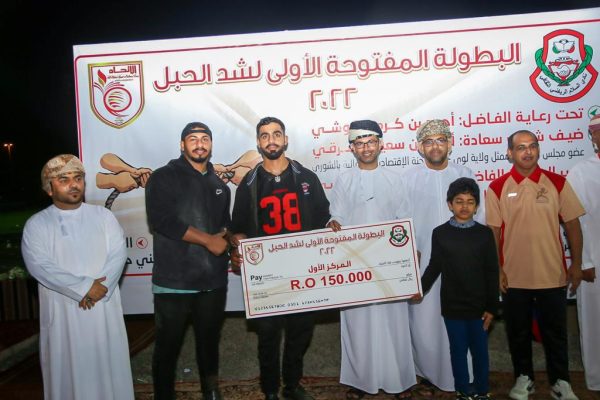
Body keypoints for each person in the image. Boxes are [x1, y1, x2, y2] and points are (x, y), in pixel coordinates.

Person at [230, 116, 330, 400]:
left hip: (303, 269)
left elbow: (323, 218)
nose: (271, 140)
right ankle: (271, 389)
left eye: (276, 134)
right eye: (265, 135)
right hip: (267, 274)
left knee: (301, 331)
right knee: (268, 335)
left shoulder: (307, 177)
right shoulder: (249, 183)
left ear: (285, 140)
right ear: (258, 142)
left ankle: (292, 385)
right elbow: (237, 229)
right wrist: (236, 246)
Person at [21, 154, 134, 400]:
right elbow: (39, 265)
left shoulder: (103, 216)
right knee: (69, 372)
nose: (74, 184)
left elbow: (118, 254)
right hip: (64, 311)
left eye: (78, 178)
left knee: (110, 368)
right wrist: (84, 288)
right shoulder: (37, 225)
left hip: (103, 307)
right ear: (49, 188)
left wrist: (99, 289)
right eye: (64, 180)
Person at [485, 130, 584, 400]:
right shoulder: (497, 187)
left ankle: (561, 381)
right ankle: (524, 377)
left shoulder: (557, 183)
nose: (527, 152)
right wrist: (498, 270)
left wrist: (576, 264)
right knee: (517, 333)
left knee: (556, 334)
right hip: (513, 277)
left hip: (552, 274)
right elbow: (493, 232)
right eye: (520, 147)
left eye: (532, 146)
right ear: (510, 153)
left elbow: (572, 225)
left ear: (538, 149)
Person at [327, 119, 415, 399]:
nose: (366, 148)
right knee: (358, 323)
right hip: (355, 263)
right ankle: (360, 380)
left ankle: (398, 380)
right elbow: (337, 215)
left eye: (371, 142)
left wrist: (407, 256)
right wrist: (333, 223)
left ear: (380, 144)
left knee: (393, 321)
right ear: (352, 148)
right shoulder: (344, 180)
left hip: (389, 263)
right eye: (360, 143)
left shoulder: (395, 179)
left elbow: (404, 219)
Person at [145, 122, 231, 400]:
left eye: (205, 138)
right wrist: (208, 240)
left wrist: (234, 242)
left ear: (211, 145)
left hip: (213, 281)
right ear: (182, 145)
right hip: (175, 282)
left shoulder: (220, 185)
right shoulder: (163, 177)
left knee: (209, 343)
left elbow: (224, 227)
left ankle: (211, 392)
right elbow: (162, 221)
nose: (199, 144)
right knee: (167, 347)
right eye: (192, 139)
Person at [399, 119, 480, 396]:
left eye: (441, 140)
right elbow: (402, 219)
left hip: (461, 261)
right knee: (424, 320)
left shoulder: (464, 174)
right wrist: (410, 250)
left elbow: (478, 216)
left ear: (450, 144)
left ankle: (463, 374)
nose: (435, 146)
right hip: (423, 260)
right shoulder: (408, 178)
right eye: (429, 141)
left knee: (460, 317)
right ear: (420, 147)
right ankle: (428, 373)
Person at [415, 177, 499, 400]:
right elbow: (434, 266)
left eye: (470, 202)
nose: (464, 206)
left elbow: (492, 271)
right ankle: (462, 390)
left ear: (477, 206)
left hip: (480, 308)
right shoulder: (440, 233)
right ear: (450, 204)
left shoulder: (484, 234)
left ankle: (482, 390)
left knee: (480, 352)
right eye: (459, 201)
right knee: (458, 351)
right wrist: (420, 289)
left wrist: (492, 308)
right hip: (452, 306)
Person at [567, 115, 600, 392]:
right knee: (594, 324)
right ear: (593, 137)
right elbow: (573, 221)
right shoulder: (580, 172)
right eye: (598, 131)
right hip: (594, 261)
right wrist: (583, 262)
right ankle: (597, 380)